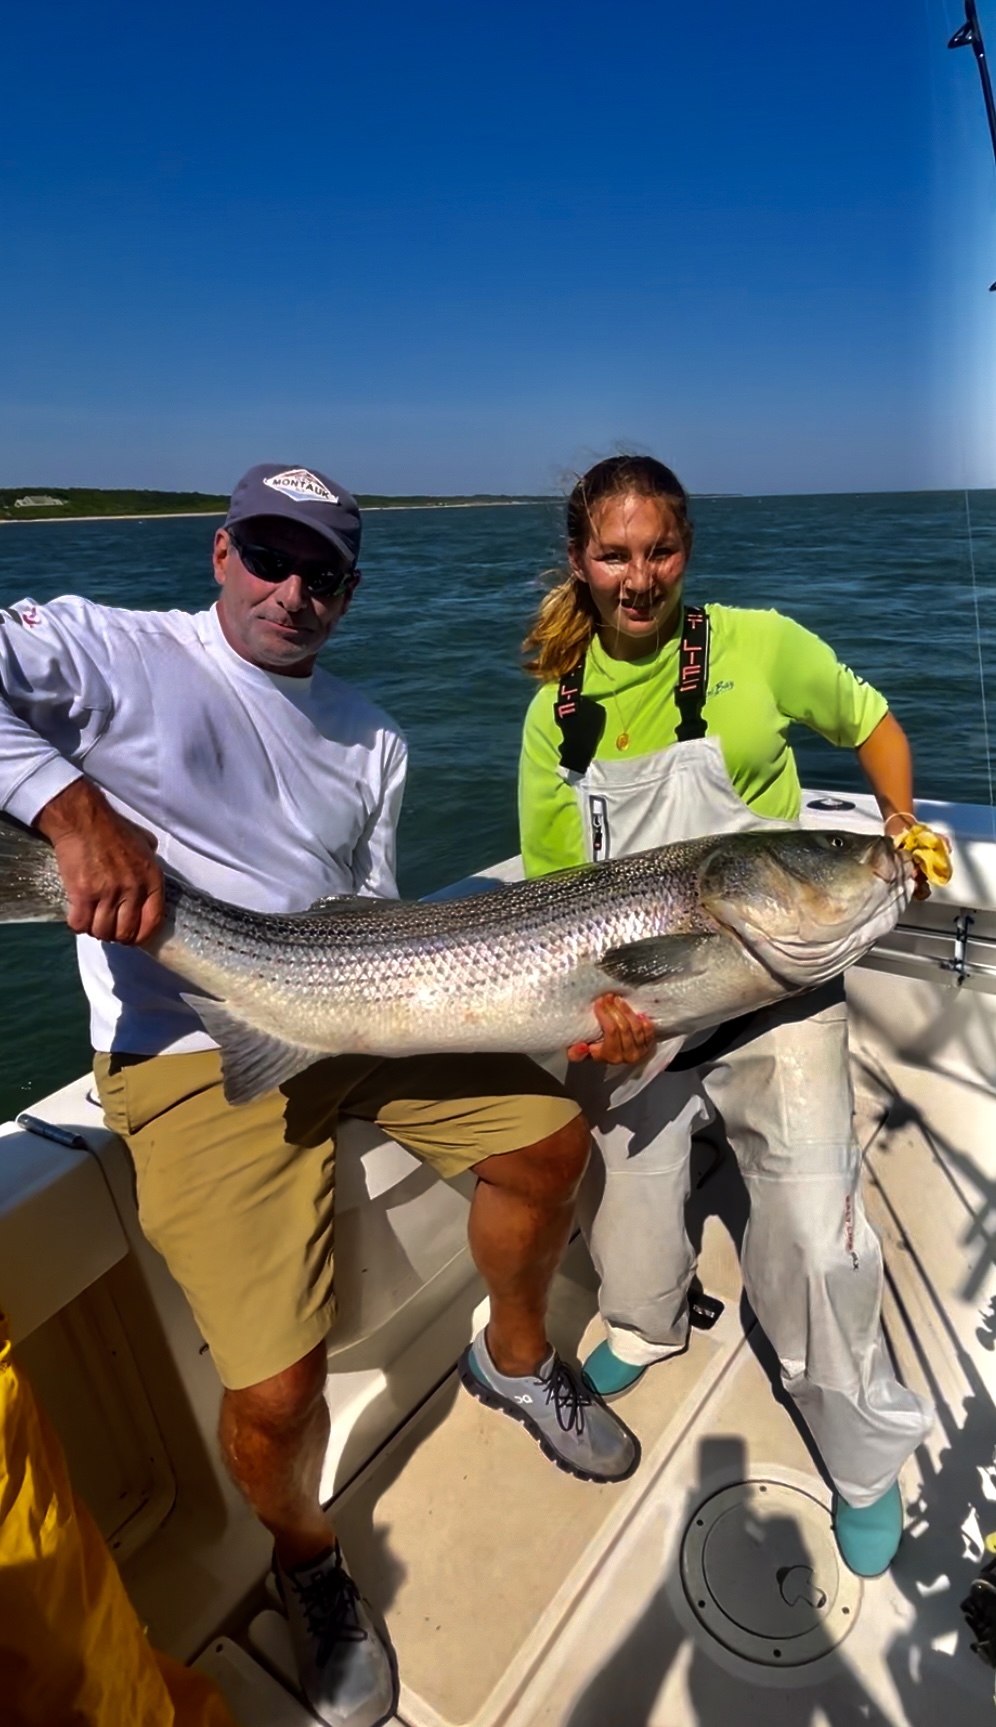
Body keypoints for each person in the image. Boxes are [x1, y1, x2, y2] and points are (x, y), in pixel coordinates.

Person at [0, 463, 639, 1727]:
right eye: (274, 557)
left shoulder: (375, 736)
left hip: (362, 1003)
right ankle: (306, 1557)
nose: (295, 590)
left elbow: (381, 912)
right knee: (278, 1389)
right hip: (185, 1037)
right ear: (223, 552)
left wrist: (578, 1006)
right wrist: (70, 813)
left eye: (327, 573)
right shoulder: (111, 651)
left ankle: (516, 1359)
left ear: (349, 592)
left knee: (553, 1141)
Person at [517, 453, 936, 1581]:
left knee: (816, 1236)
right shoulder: (555, 714)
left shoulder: (758, 644)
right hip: (643, 1011)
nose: (639, 575)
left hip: (778, 987)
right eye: (615, 553)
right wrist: (609, 1017)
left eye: (659, 550)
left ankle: (858, 1459)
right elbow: (562, 902)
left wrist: (895, 821)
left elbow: (874, 720)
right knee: (634, 1219)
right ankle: (649, 1325)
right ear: (582, 560)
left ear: (685, 551)